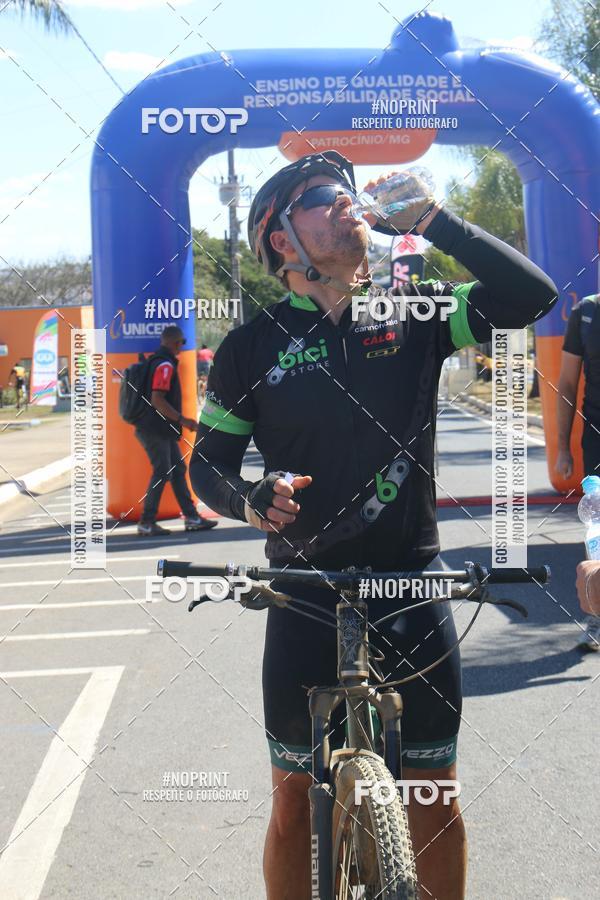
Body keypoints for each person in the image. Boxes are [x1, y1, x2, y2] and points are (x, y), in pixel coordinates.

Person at [189, 151, 557, 899]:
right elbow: (207, 469)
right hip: (305, 590)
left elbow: (532, 295)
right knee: (294, 801)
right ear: (283, 241)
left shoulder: (413, 309)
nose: (347, 203)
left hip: (411, 581)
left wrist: (434, 220)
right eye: (325, 196)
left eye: (349, 193)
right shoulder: (250, 347)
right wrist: (251, 499)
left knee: (434, 795)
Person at [134, 325, 217, 537]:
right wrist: (183, 420)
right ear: (175, 343)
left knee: (177, 469)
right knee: (163, 471)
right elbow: (157, 399)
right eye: (181, 343)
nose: (182, 347)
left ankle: (191, 517)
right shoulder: (165, 365)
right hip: (154, 429)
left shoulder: (157, 361)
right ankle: (147, 521)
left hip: (158, 428)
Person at [555, 294, 600, 650]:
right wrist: (562, 447)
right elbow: (567, 384)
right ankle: (598, 614)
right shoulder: (585, 312)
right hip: (597, 440)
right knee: (598, 528)